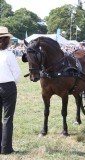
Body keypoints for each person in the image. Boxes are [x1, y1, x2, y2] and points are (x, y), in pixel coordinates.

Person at [0, 26, 21, 154]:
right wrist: (13, 83)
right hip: (8, 86)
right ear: (7, 41)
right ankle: (6, 148)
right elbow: (17, 73)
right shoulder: (9, 55)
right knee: (8, 117)